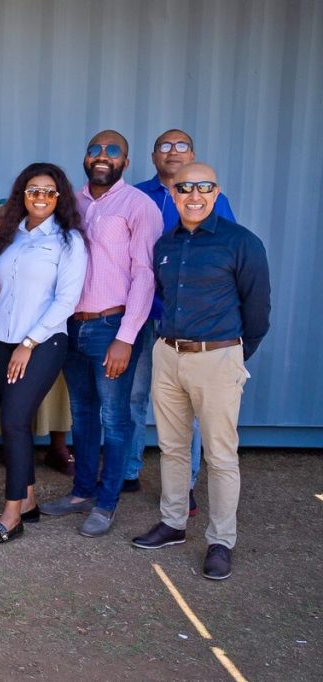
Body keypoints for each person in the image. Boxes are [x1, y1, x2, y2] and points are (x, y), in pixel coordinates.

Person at [132, 162, 270, 580]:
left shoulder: (241, 243)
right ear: (173, 194)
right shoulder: (165, 244)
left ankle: (220, 541)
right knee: (172, 447)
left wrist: (232, 357)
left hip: (218, 356)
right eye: (185, 188)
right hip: (169, 354)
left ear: (216, 192)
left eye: (203, 187)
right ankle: (173, 523)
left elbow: (257, 310)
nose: (194, 195)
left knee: (220, 454)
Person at [41, 130, 162, 538]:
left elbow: (146, 275)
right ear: (85, 158)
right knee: (84, 414)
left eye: (113, 151)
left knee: (115, 417)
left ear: (126, 162)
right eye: (95, 149)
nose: (102, 156)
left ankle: (107, 502)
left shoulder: (138, 206)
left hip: (113, 325)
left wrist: (126, 337)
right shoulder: (70, 202)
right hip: (72, 326)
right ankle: (82, 492)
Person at [125, 130, 237, 512]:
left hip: (190, 324)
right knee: (136, 395)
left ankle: (186, 484)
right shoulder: (136, 196)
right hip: (142, 313)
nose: (173, 152)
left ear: (193, 154)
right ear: (153, 155)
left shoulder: (211, 200)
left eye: (181, 146)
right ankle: (129, 470)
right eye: (165, 146)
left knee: (185, 408)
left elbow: (231, 257)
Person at [0, 164, 87, 545]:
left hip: (41, 343)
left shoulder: (69, 241)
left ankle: (10, 516)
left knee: (14, 419)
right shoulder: (11, 235)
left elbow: (67, 300)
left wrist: (28, 343)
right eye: (33, 190)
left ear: (60, 198)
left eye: (49, 191)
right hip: (0, 339)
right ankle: (28, 500)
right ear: (22, 194)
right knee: (14, 423)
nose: (40, 197)